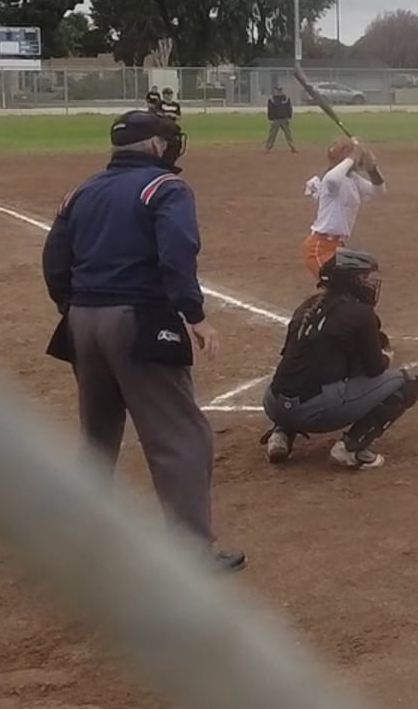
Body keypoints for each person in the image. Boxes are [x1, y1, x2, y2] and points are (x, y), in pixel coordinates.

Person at [41, 111, 243, 572]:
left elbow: (54, 258)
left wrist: (72, 306)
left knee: (97, 433)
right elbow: (177, 254)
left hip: (82, 321)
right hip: (138, 319)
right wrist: (195, 316)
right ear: (154, 145)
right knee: (180, 435)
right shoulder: (164, 188)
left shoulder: (83, 190)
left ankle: (80, 534)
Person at [259, 250, 418, 470]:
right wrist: (386, 357)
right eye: (363, 277)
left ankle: (281, 432)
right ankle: (351, 448)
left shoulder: (307, 307)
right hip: (315, 412)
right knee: (408, 383)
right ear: (349, 281)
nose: (368, 283)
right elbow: (374, 369)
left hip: (274, 403)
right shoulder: (361, 314)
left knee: (302, 372)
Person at [303, 137, 384, 277]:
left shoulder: (352, 179)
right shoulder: (331, 179)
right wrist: (353, 155)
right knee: (340, 284)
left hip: (337, 247)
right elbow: (332, 179)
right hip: (319, 248)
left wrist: (372, 169)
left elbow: (379, 192)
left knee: (361, 276)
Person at [264, 85, 297, 152]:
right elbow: (270, 109)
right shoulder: (272, 99)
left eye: (280, 90)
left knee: (288, 133)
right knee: (272, 134)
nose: (279, 92)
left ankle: (292, 147)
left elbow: (289, 108)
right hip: (275, 119)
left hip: (284, 119)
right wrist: (270, 118)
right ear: (275, 91)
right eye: (278, 90)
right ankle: (268, 147)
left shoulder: (286, 98)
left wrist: (289, 116)